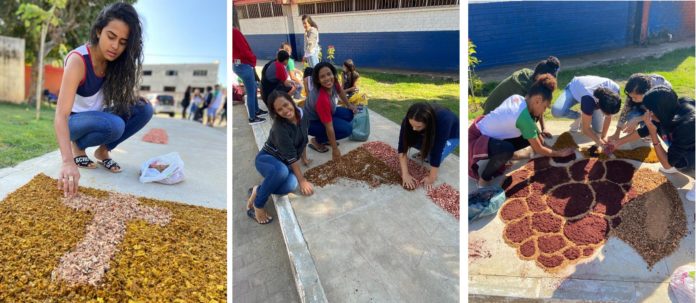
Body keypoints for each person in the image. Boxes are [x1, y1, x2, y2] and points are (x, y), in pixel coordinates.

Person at [54, 3, 150, 197]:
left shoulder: (116, 63)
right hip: (74, 122)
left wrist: (132, 98)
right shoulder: (78, 61)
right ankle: (78, 148)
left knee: (144, 109)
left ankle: (102, 152)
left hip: (98, 116)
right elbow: (60, 115)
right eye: (111, 37)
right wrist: (67, 161)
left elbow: (113, 100)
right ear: (99, 31)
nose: (115, 46)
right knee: (114, 125)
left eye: (123, 42)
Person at [470, 75, 574, 186]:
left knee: (528, 138)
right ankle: (483, 180)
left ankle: (503, 155)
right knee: (507, 150)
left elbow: (534, 131)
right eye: (544, 107)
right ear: (538, 100)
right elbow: (538, 148)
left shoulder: (518, 98)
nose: (543, 111)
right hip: (476, 141)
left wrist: (546, 146)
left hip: (483, 132)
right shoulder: (523, 118)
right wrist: (558, 154)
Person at [247, 91, 314, 224]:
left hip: (284, 164)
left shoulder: (303, 115)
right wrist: (302, 180)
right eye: (279, 109)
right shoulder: (279, 128)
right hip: (267, 159)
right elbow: (291, 157)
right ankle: (258, 205)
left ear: (291, 101)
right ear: (275, 112)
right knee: (282, 172)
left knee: (290, 185)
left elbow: (303, 138)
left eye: (285, 105)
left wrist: (304, 158)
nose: (285, 110)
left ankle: (258, 189)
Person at [482, 56, 560, 138]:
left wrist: (544, 128)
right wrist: (539, 138)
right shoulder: (524, 90)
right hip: (490, 118)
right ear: (539, 75)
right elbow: (528, 119)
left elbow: (541, 104)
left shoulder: (532, 76)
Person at [398, 102, 459, 190]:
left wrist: (431, 178)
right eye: (412, 125)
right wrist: (405, 174)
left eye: (418, 126)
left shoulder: (444, 120)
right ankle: (425, 150)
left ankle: (427, 153)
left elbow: (437, 150)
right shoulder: (409, 120)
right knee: (412, 138)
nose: (414, 129)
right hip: (431, 130)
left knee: (432, 157)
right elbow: (402, 146)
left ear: (428, 123)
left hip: (452, 135)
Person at [303, 62, 358, 161]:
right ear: (318, 80)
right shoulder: (321, 99)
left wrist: (349, 105)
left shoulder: (333, 82)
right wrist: (335, 149)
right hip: (311, 122)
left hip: (325, 113)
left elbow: (340, 91)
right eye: (322, 76)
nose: (327, 78)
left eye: (329, 74)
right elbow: (329, 127)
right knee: (347, 129)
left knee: (349, 114)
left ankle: (326, 138)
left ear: (333, 73)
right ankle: (316, 141)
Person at [551, 75, 621, 151]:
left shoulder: (615, 90)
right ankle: (580, 116)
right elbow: (585, 129)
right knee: (557, 111)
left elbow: (609, 116)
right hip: (574, 89)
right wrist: (600, 143)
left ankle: (586, 116)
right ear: (599, 106)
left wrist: (603, 137)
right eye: (606, 113)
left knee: (598, 130)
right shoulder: (588, 99)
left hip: (591, 96)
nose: (609, 115)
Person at [608, 73, 672, 141]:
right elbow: (625, 109)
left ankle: (649, 135)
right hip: (646, 106)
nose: (632, 99)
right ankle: (635, 135)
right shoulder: (633, 90)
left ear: (646, 92)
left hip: (662, 112)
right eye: (631, 97)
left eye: (635, 97)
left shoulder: (662, 92)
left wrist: (638, 119)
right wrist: (617, 132)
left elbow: (660, 114)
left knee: (654, 125)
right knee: (632, 116)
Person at [233, 26, 266, 125]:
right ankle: (252, 118)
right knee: (251, 92)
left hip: (238, 64)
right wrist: (253, 59)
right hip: (244, 65)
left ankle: (256, 111)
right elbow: (244, 49)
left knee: (254, 89)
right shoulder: (234, 32)